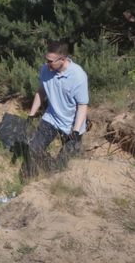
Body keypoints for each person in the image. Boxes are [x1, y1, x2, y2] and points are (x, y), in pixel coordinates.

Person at [24, 40, 89, 178]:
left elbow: (82, 105)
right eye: (46, 60)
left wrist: (76, 131)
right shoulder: (45, 70)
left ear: (63, 59)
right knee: (33, 149)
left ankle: (54, 175)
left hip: (72, 125)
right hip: (52, 118)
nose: (47, 64)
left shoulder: (78, 76)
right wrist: (31, 115)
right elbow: (41, 92)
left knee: (63, 166)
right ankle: (29, 181)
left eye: (50, 61)